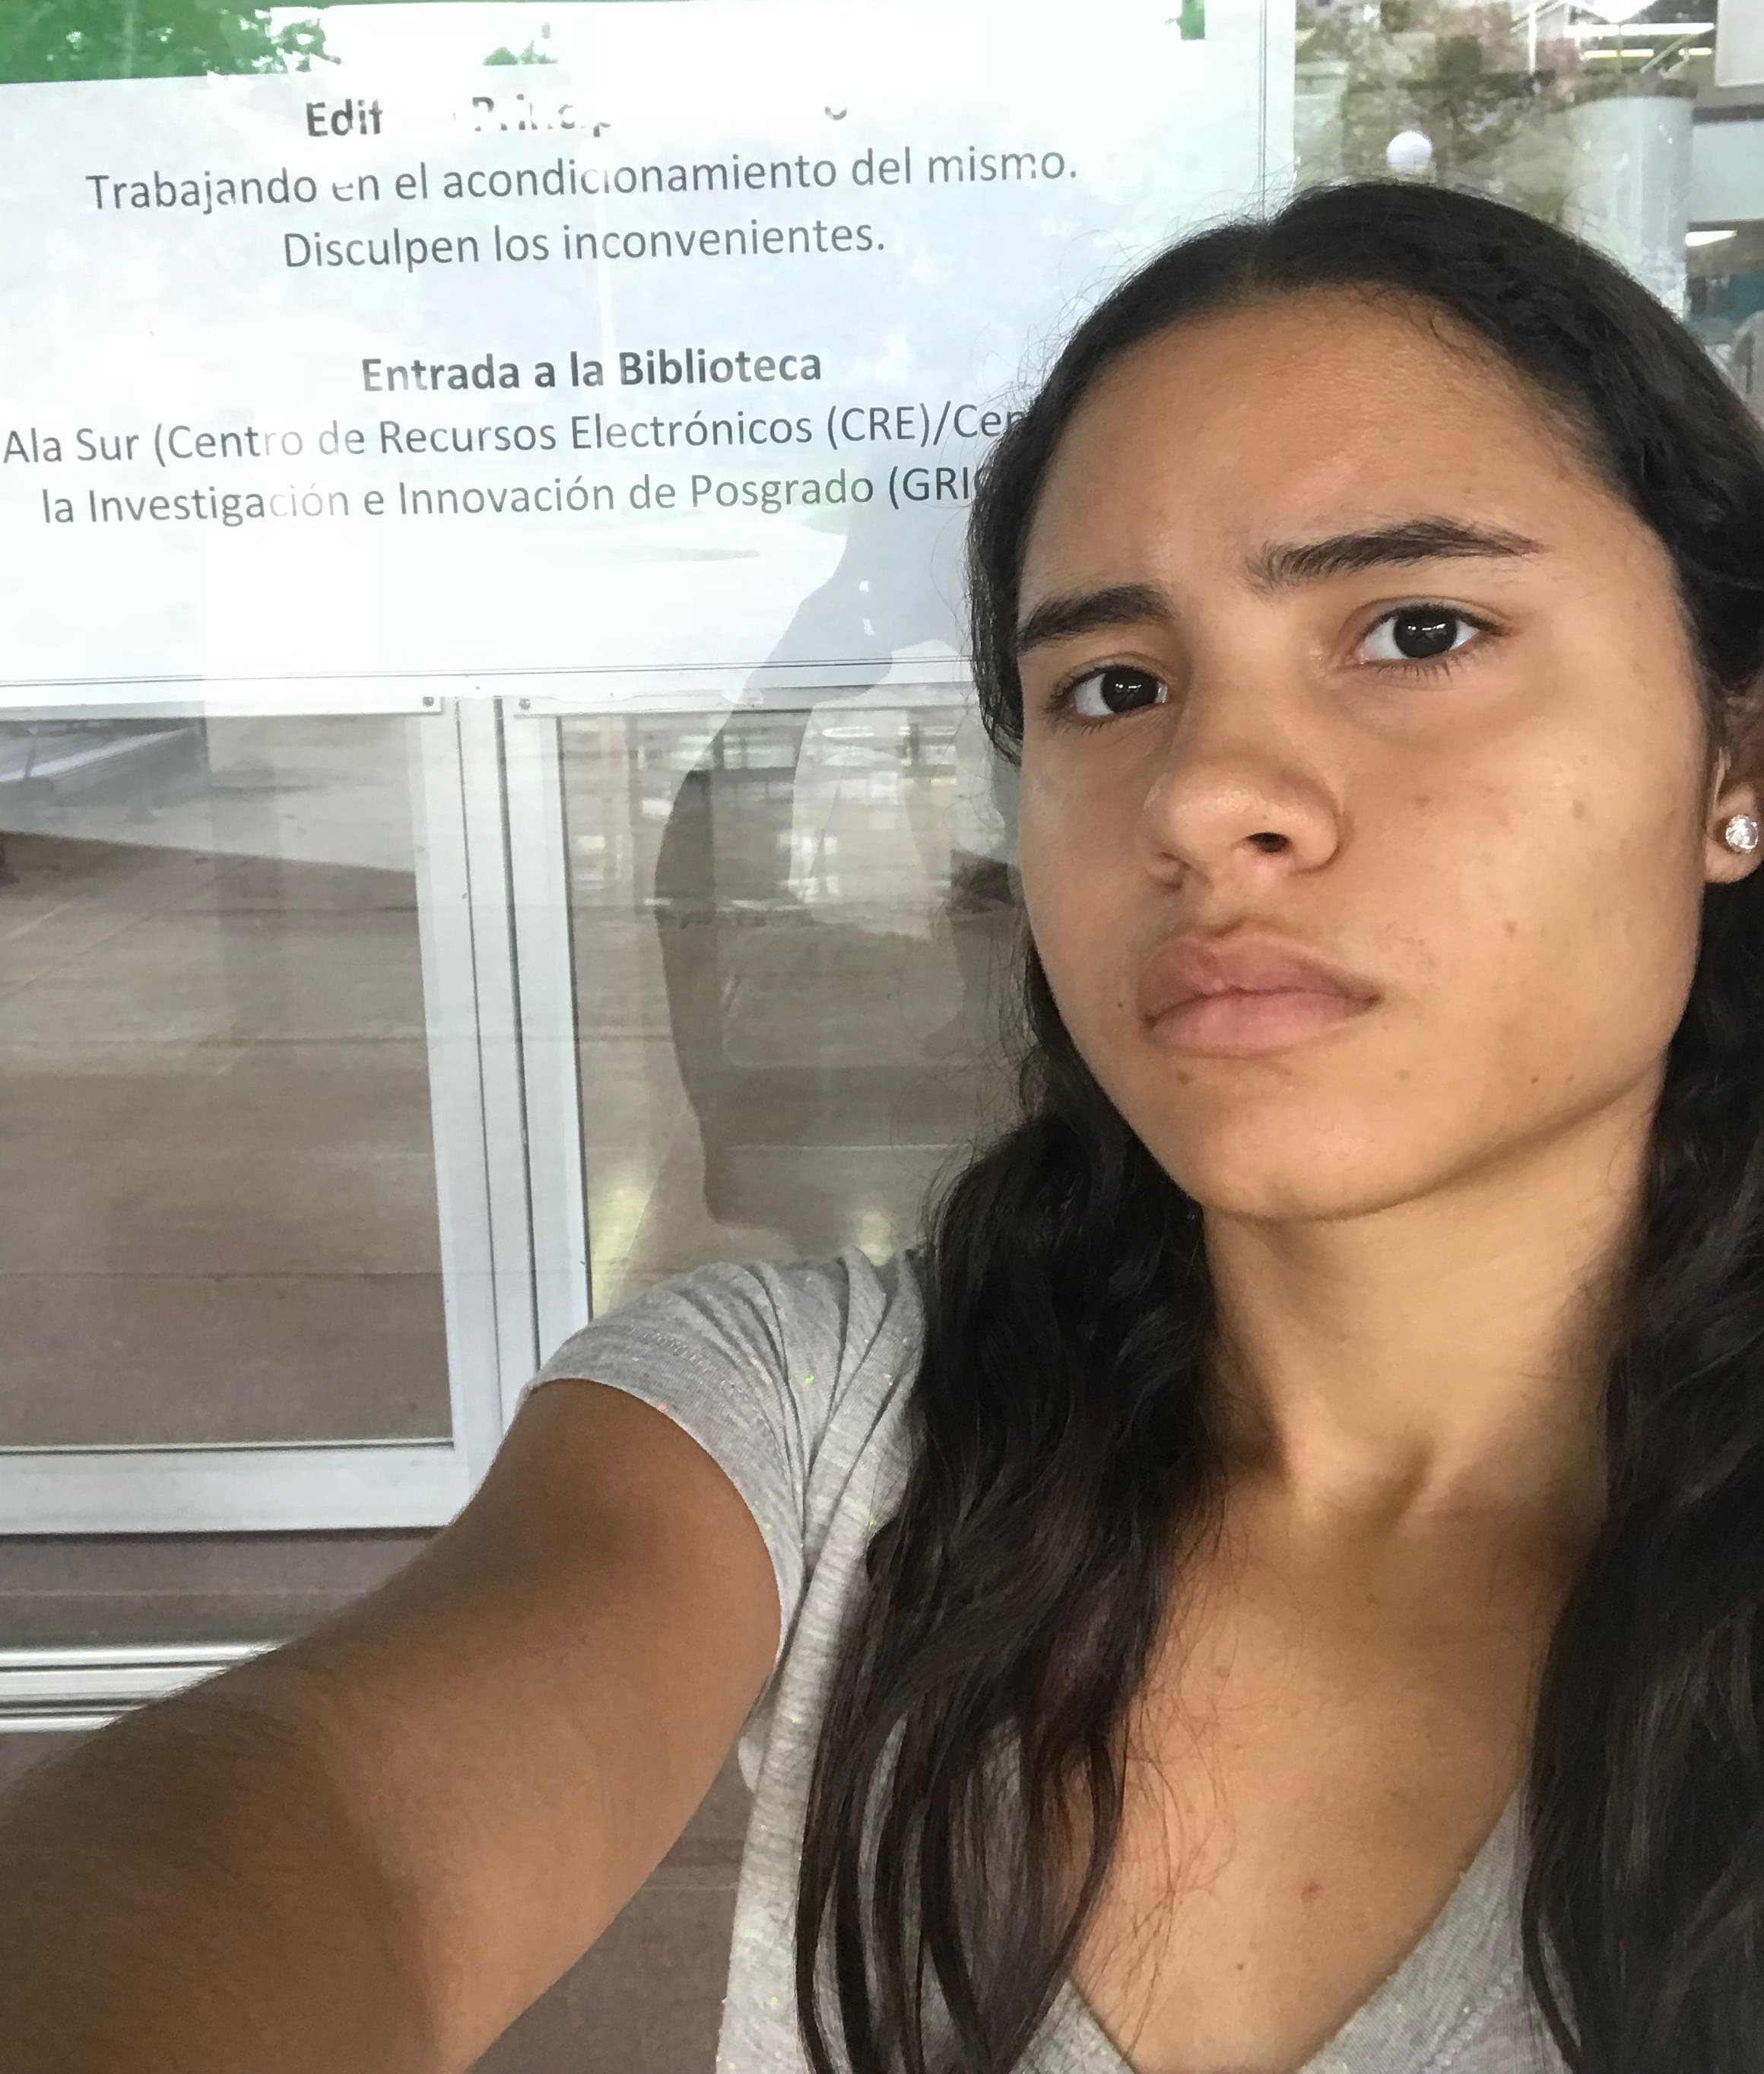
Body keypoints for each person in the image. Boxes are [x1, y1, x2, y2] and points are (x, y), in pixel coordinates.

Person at [3, 176, 1762, 2074]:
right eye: (1109, 685)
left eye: (1414, 629)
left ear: (1730, 756)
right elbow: (317, 1826)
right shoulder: (822, 1430)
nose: (1201, 797)